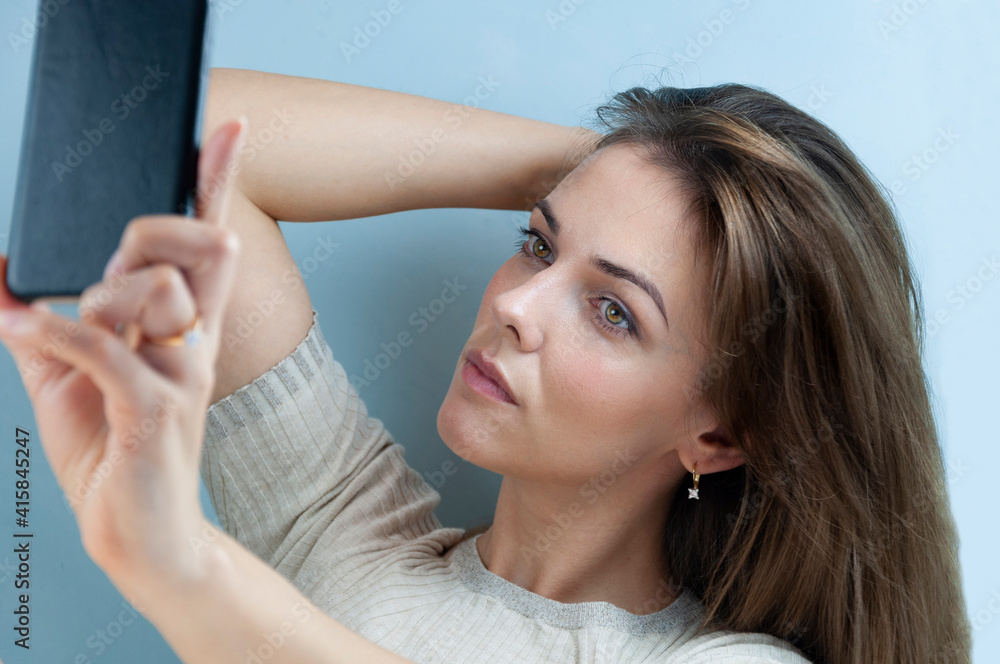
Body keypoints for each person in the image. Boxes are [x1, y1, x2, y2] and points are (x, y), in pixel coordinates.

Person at [0, 66, 970, 664]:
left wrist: (178, 560)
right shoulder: (343, 531)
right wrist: (629, 164)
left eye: (612, 311)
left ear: (716, 433)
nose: (513, 304)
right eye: (541, 244)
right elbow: (194, 144)